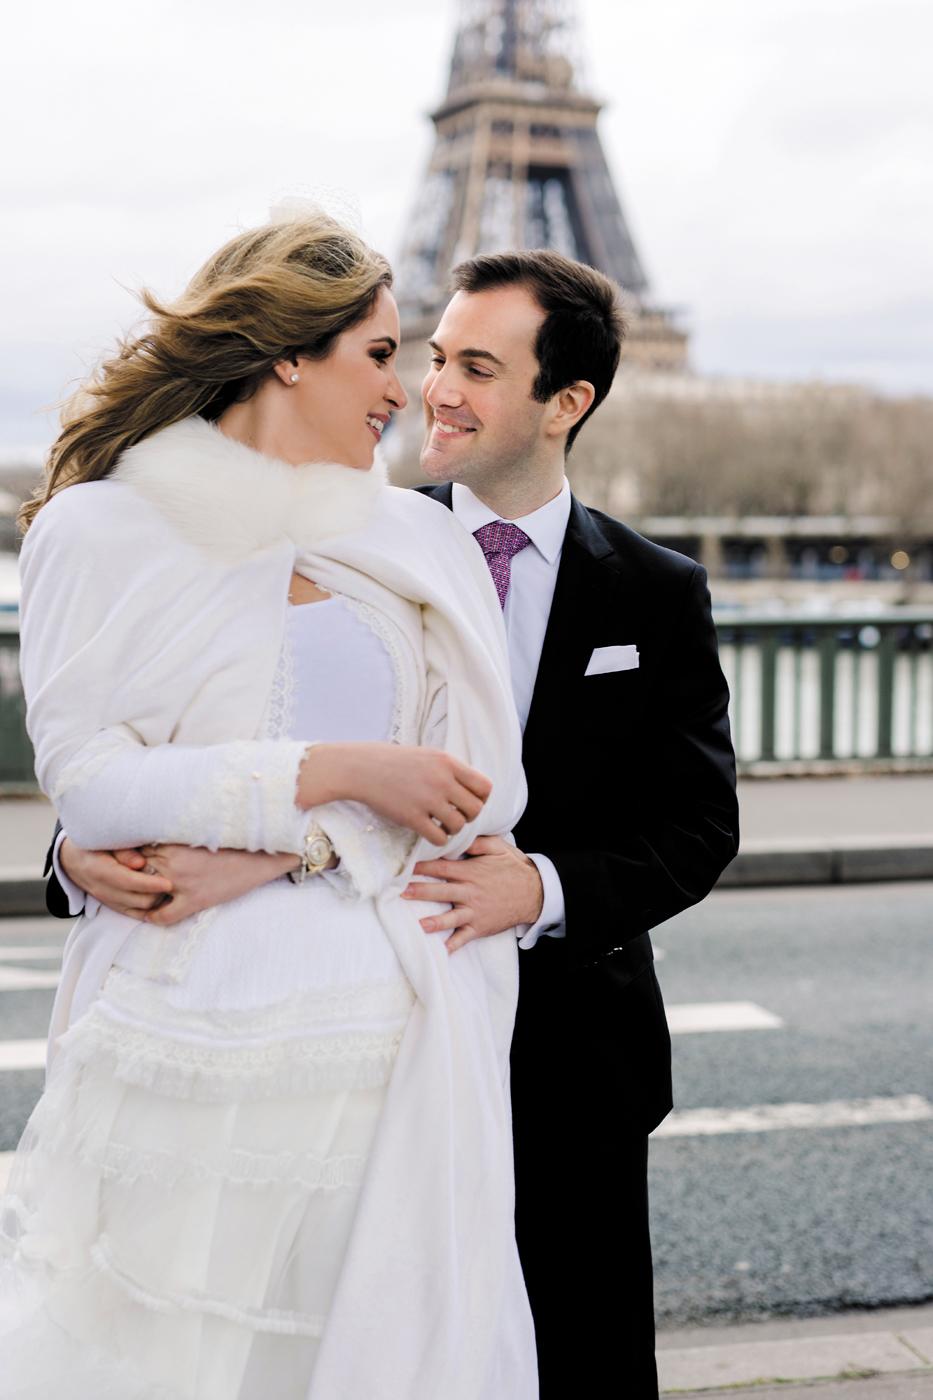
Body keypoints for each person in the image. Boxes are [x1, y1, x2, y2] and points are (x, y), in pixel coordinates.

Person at [49, 249, 740, 1397]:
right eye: (426, 358)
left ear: (566, 401)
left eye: (476, 364)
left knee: (577, 1354)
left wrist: (547, 888)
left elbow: (697, 818)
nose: (433, 389)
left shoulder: (655, 589)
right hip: (340, 1025)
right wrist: (82, 855)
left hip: (567, 1047)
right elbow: (153, 730)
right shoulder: (346, 525)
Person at [4, 213, 538, 1399]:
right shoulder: (100, 527)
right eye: (381, 353)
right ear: (290, 351)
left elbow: (477, 789)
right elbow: (88, 782)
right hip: (187, 1037)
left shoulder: (417, 541)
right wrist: (340, 775)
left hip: (389, 1044)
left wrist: (284, 842)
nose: (407, 391)